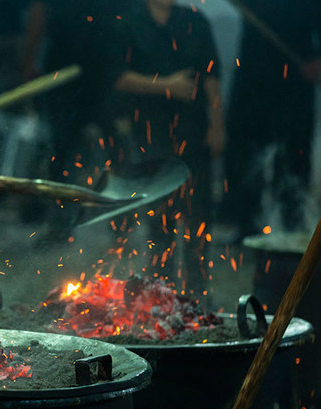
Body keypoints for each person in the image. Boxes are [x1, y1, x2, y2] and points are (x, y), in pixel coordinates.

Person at [105, 0, 225, 296]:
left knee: (198, 214)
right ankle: (163, 290)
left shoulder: (194, 21)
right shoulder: (127, 22)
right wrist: (165, 85)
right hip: (149, 133)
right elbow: (117, 77)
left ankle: (198, 290)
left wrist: (218, 124)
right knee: (160, 217)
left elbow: (212, 77)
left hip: (193, 131)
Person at [220, 0, 321, 240]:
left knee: (294, 156)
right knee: (244, 155)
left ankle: (292, 228)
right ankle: (245, 225)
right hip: (252, 78)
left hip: (296, 80)